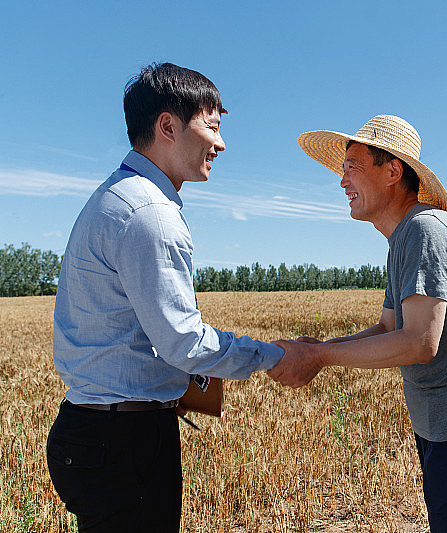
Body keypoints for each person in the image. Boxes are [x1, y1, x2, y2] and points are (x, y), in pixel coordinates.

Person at [47, 62, 284, 533]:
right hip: (122, 443)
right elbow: (184, 344)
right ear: (168, 126)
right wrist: (277, 356)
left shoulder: (117, 197)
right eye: (212, 127)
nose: (220, 144)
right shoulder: (149, 213)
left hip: (97, 433)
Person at [270, 115, 447, 532]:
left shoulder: (425, 230)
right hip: (443, 428)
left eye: (352, 166)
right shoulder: (403, 237)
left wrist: (319, 356)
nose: (342, 181)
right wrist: (320, 347)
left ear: (392, 171)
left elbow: (420, 342)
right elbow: (389, 328)